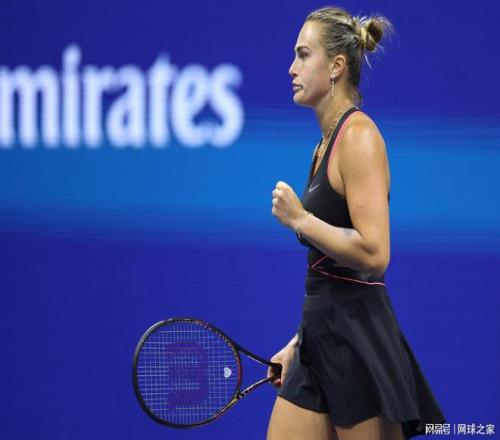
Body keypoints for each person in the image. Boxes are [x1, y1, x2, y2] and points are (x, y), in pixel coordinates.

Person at [267, 6, 446, 440]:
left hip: (358, 344)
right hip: (318, 336)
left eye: (303, 54)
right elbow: (329, 267)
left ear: (336, 66)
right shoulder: (323, 144)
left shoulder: (359, 137)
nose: (291, 68)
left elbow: (374, 253)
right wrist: (298, 343)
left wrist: (301, 220)